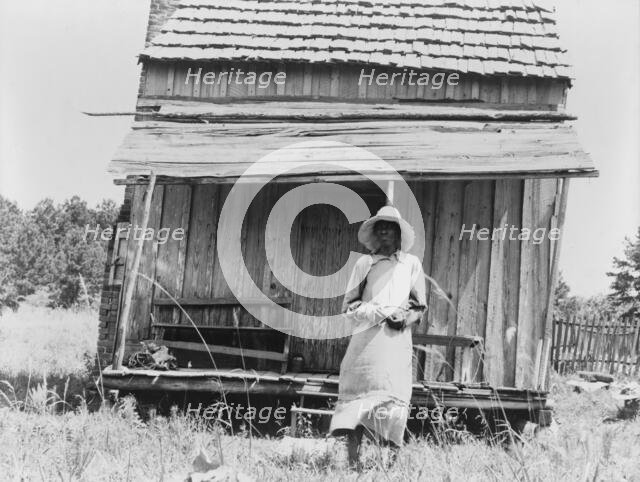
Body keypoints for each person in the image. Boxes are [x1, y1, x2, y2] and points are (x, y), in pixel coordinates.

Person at [329, 205, 427, 469]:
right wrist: (374, 311)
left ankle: (388, 466)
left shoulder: (411, 264)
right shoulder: (364, 264)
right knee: (359, 398)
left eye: (390, 227)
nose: (384, 230)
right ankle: (352, 462)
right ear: (373, 232)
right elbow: (348, 306)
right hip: (365, 341)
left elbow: (418, 306)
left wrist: (402, 317)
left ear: (398, 233)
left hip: (395, 341)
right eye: (380, 226)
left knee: (392, 398)